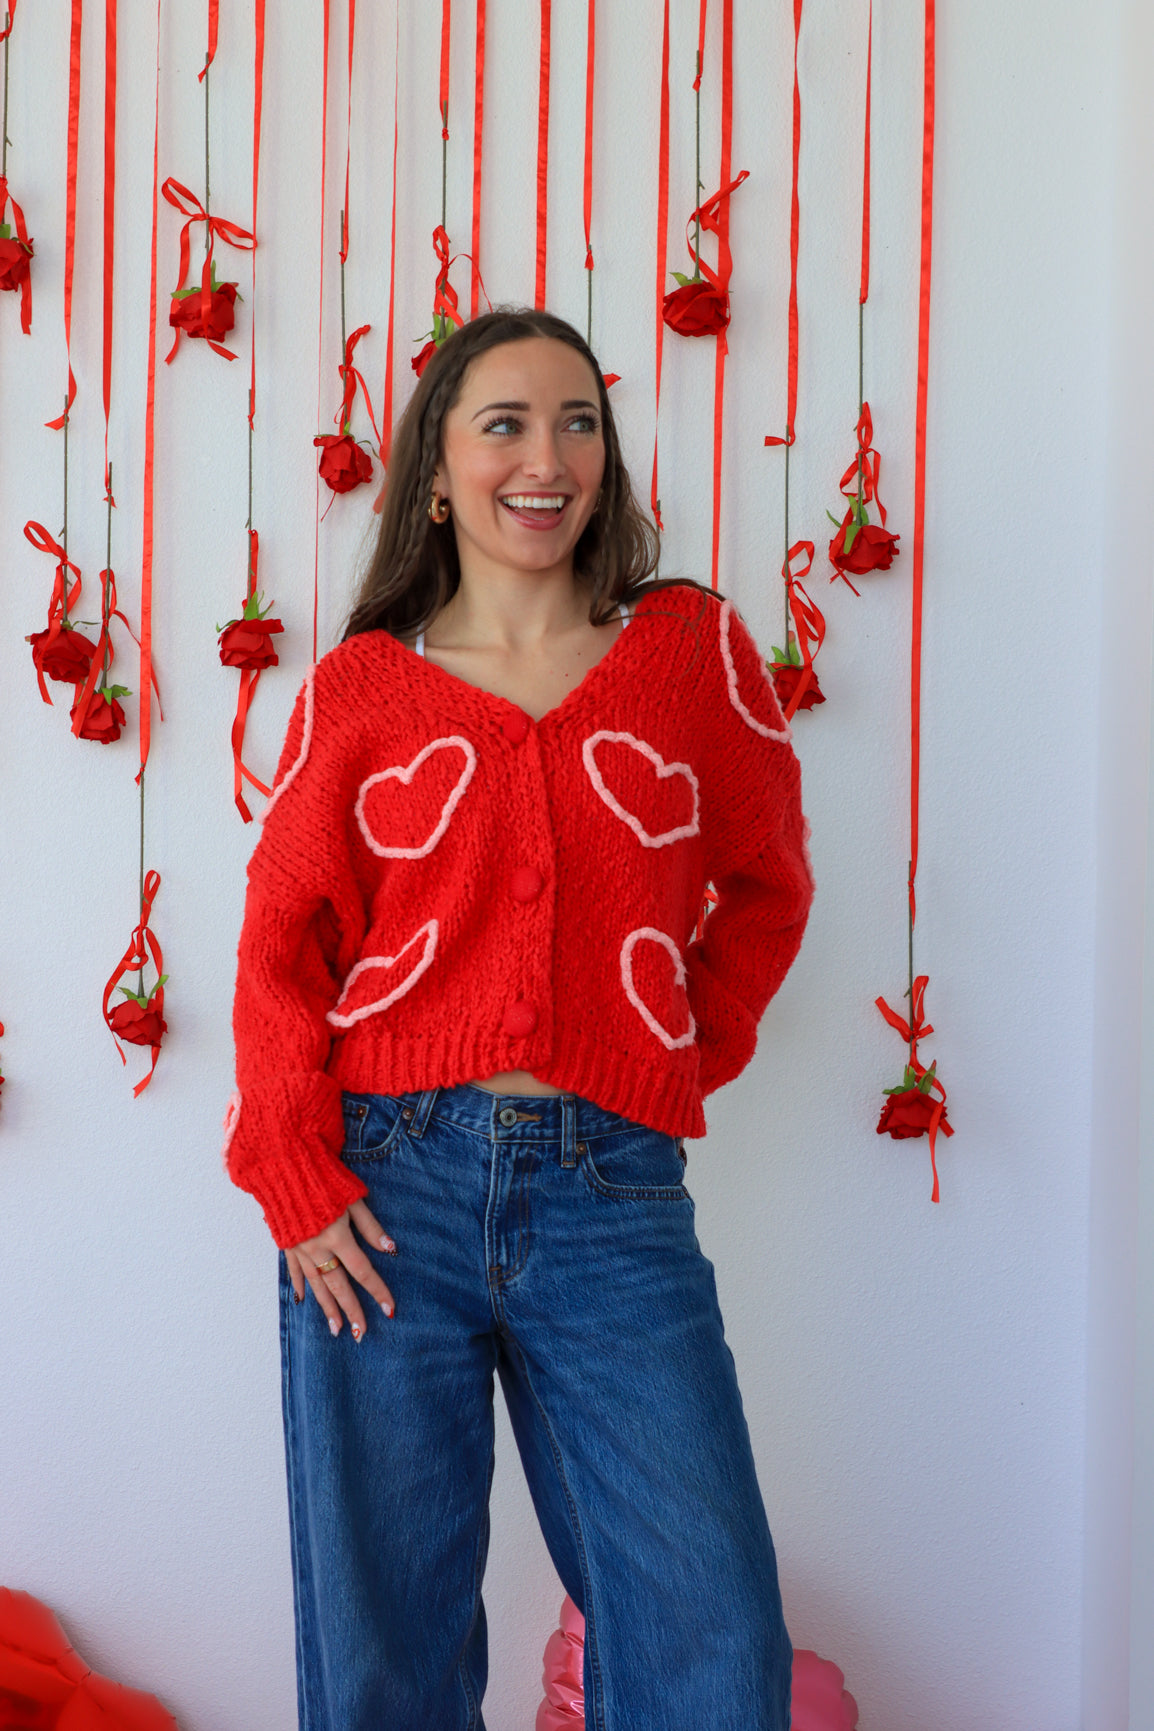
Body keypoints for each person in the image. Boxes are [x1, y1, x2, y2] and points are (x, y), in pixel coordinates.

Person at [224, 307, 813, 1730]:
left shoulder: (688, 656)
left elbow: (769, 887)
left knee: (710, 1640)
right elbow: (278, 953)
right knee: (387, 1656)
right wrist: (294, 1173)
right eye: (502, 424)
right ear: (436, 468)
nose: (543, 458)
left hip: (613, 1195)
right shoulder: (361, 690)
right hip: (381, 1196)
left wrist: (663, 1054)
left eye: (576, 422)